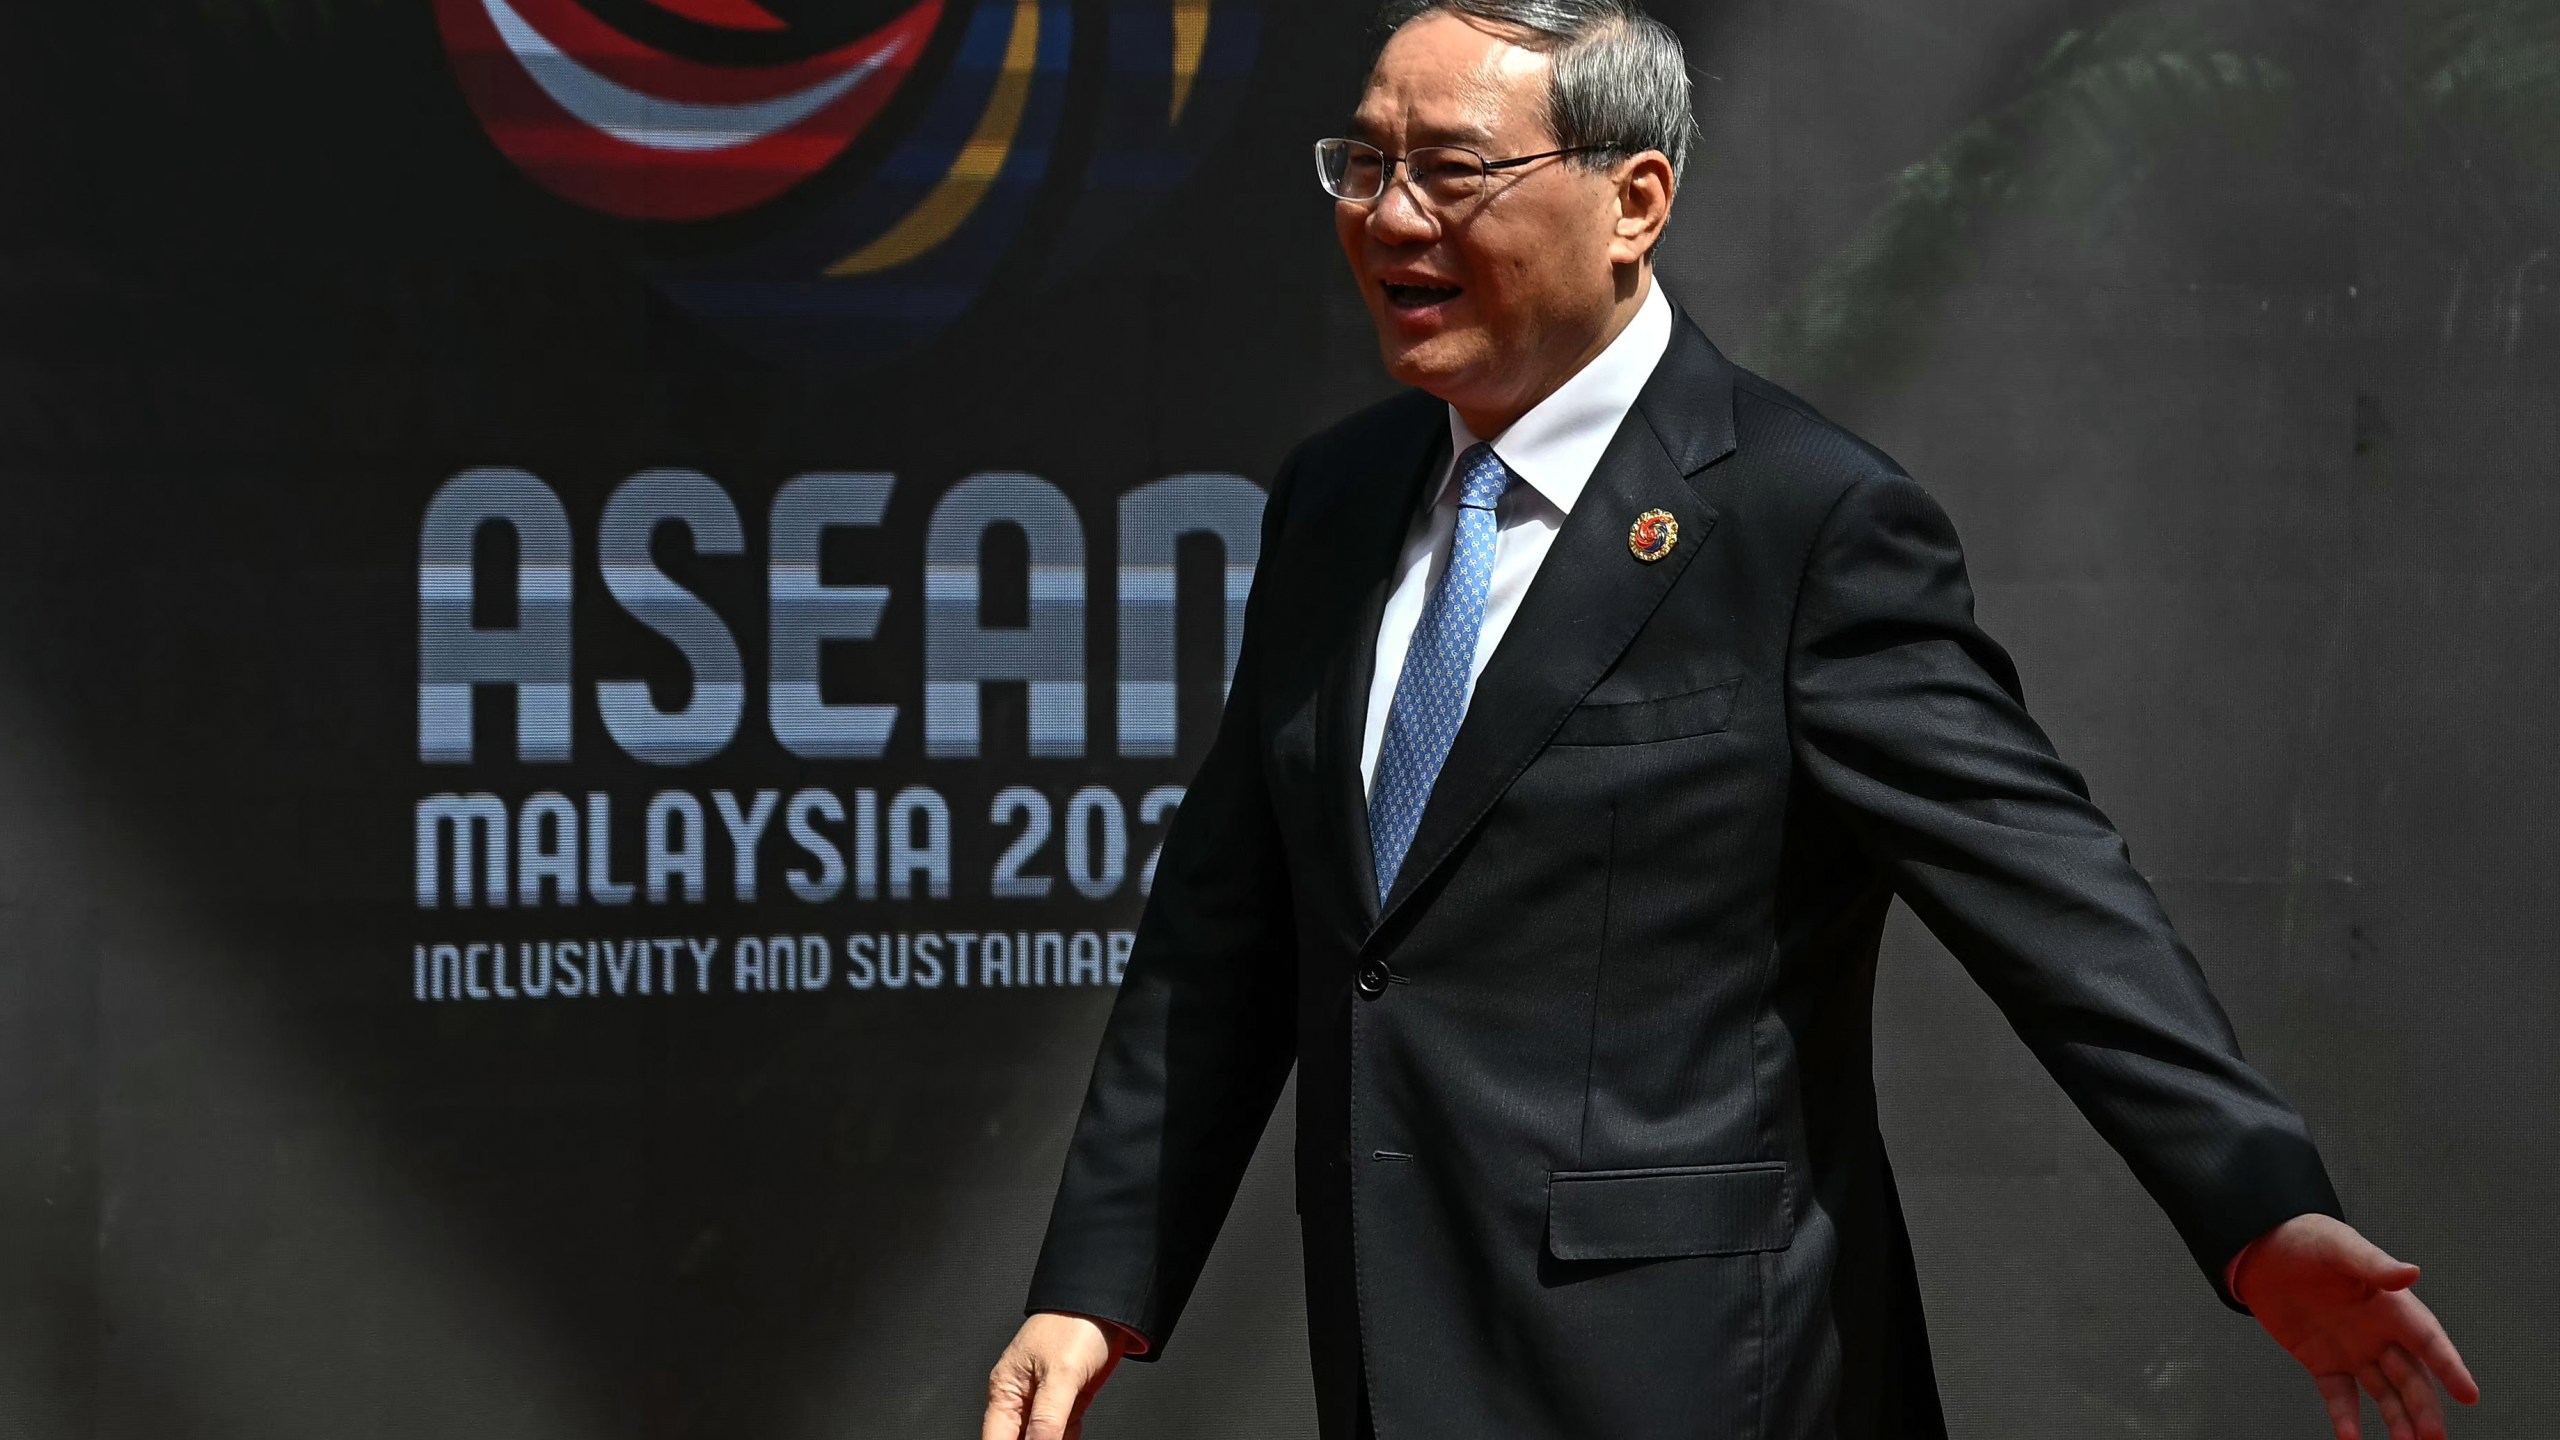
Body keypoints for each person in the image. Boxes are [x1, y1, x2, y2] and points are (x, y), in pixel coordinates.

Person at [983, 3, 2479, 1437]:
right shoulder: (1337, 499)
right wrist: (1099, 1285)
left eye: (1449, 170)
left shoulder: (1801, 520)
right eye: (1364, 164)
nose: (1388, 215)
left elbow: (2055, 897)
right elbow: (1222, 930)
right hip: (1393, 1351)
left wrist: (2259, 1207)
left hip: (1702, 1372)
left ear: (1634, 201)